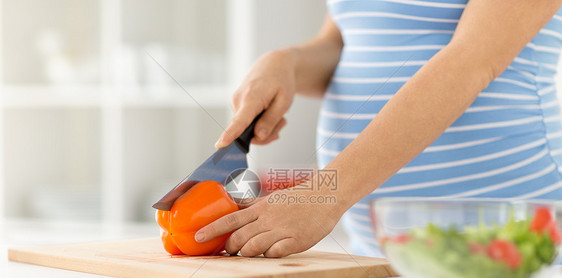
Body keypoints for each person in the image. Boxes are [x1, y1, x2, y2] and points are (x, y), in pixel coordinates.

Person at [194, 0, 562, 258]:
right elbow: (345, 44)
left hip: (511, 241)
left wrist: (327, 195)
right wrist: (286, 63)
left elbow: (472, 62)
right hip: (377, 250)